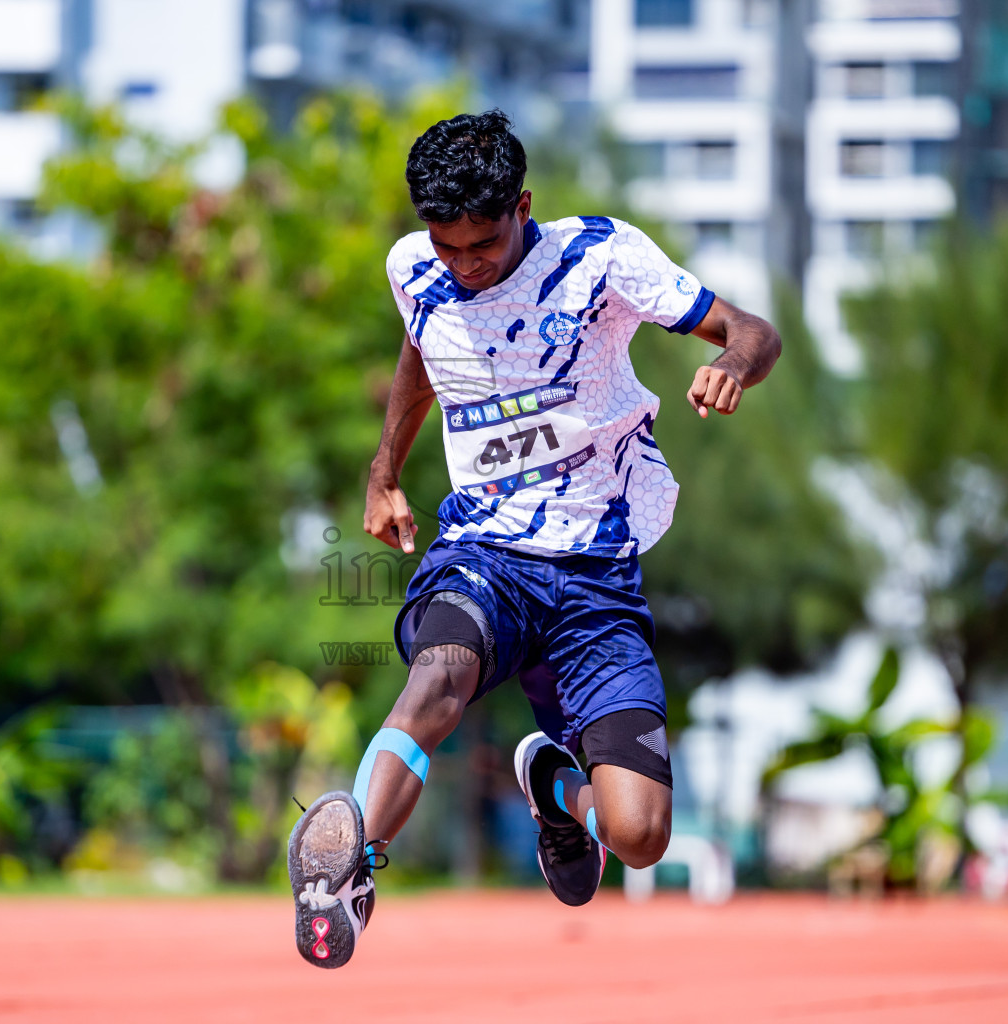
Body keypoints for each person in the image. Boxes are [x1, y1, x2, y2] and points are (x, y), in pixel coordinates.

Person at [288, 110, 781, 968]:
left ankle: (555, 784)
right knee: (436, 683)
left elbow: (752, 331)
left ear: (522, 205)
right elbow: (423, 351)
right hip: (484, 553)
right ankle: (350, 870)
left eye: (482, 247)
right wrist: (383, 471)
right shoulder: (418, 268)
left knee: (640, 835)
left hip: (597, 573)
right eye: (447, 249)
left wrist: (731, 366)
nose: (464, 268)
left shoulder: (601, 259)